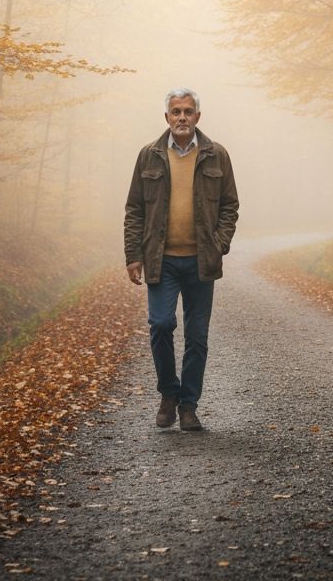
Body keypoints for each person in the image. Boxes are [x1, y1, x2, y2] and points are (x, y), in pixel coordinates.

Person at [124, 88, 239, 431]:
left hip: (202, 261)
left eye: (188, 111)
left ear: (198, 117)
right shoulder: (150, 156)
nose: (182, 118)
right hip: (162, 260)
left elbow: (230, 205)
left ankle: (188, 405)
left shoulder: (217, 155)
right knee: (160, 326)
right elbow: (134, 209)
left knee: (197, 336)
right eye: (176, 112)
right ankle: (169, 394)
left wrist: (219, 244)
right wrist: (134, 255)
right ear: (167, 118)